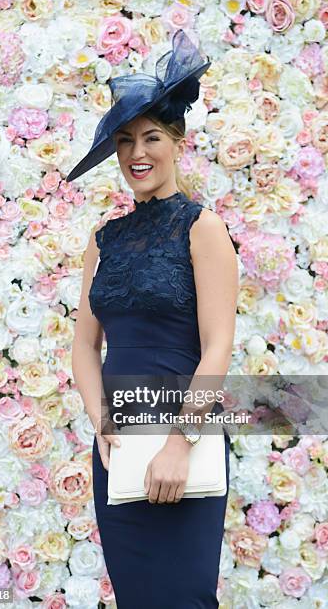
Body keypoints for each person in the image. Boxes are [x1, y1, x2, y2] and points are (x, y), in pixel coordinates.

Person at [68, 30, 239, 609]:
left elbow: (218, 348)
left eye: (151, 137)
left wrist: (178, 440)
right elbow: (84, 348)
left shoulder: (202, 228)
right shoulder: (103, 239)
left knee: (184, 597)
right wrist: (101, 424)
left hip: (180, 441)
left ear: (177, 143)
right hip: (120, 447)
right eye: (125, 141)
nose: (137, 153)